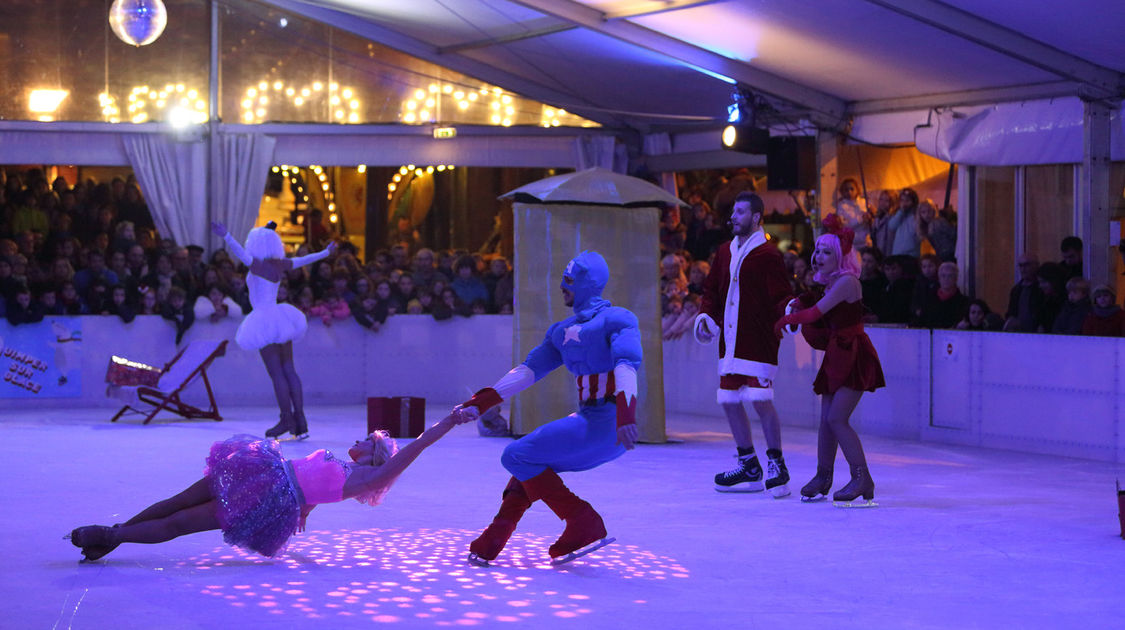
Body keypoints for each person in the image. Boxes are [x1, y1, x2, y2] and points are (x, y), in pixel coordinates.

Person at [68, 412, 474, 562]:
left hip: (268, 495)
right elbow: (316, 490)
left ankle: (109, 534)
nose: (364, 437)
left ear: (377, 454)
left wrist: (448, 422)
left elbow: (417, 447)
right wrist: (305, 512)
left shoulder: (371, 476)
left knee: (181, 522)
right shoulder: (344, 466)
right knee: (177, 502)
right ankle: (116, 538)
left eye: (370, 439)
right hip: (261, 471)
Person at [455, 250, 641, 567]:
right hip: (593, 421)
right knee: (528, 461)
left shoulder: (617, 319)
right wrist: (482, 403)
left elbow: (628, 365)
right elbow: (528, 370)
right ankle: (492, 540)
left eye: (569, 280)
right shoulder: (561, 330)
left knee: (514, 454)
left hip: (607, 422)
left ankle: (582, 519)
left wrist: (626, 414)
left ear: (588, 283)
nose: (562, 286)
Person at [774, 214, 884, 507]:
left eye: (827, 252)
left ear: (840, 257)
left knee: (837, 418)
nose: (819, 257)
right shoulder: (833, 283)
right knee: (826, 420)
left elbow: (815, 315)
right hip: (839, 352)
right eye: (818, 251)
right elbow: (816, 309)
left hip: (854, 353)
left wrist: (788, 317)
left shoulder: (847, 282)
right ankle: (824, 476)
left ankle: (862, 477)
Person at [693, 191, 794, 497]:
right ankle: (749, 464)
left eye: (740, 212)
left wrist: (789, 313)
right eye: (733, 211)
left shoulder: (769, 255)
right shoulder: (724, 251)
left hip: (758, 341)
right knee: (729, 400)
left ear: (756, 217)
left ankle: (777, 464)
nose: (734, 216)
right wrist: (705, 317)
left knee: (761, 399)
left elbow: (781, 296)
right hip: (730, 343)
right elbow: (711, 291)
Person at [212, 220, 336, 440]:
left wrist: (227, 235)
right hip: (280, 318)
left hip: (264, 318)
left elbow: (241, 254)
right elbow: (304, 259)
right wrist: (325, 252)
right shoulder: (280, 265)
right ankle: (300, 420)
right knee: (289, 369)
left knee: (277, 373)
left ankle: (286, 419)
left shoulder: (258, 265)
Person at [1003, 254, 1044, 332]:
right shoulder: (1016, 290)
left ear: (1036, 266)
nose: (1023, 269)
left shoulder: (1041, 288)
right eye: (1021, 266)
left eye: (1026, 265)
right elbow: (1011, 312)